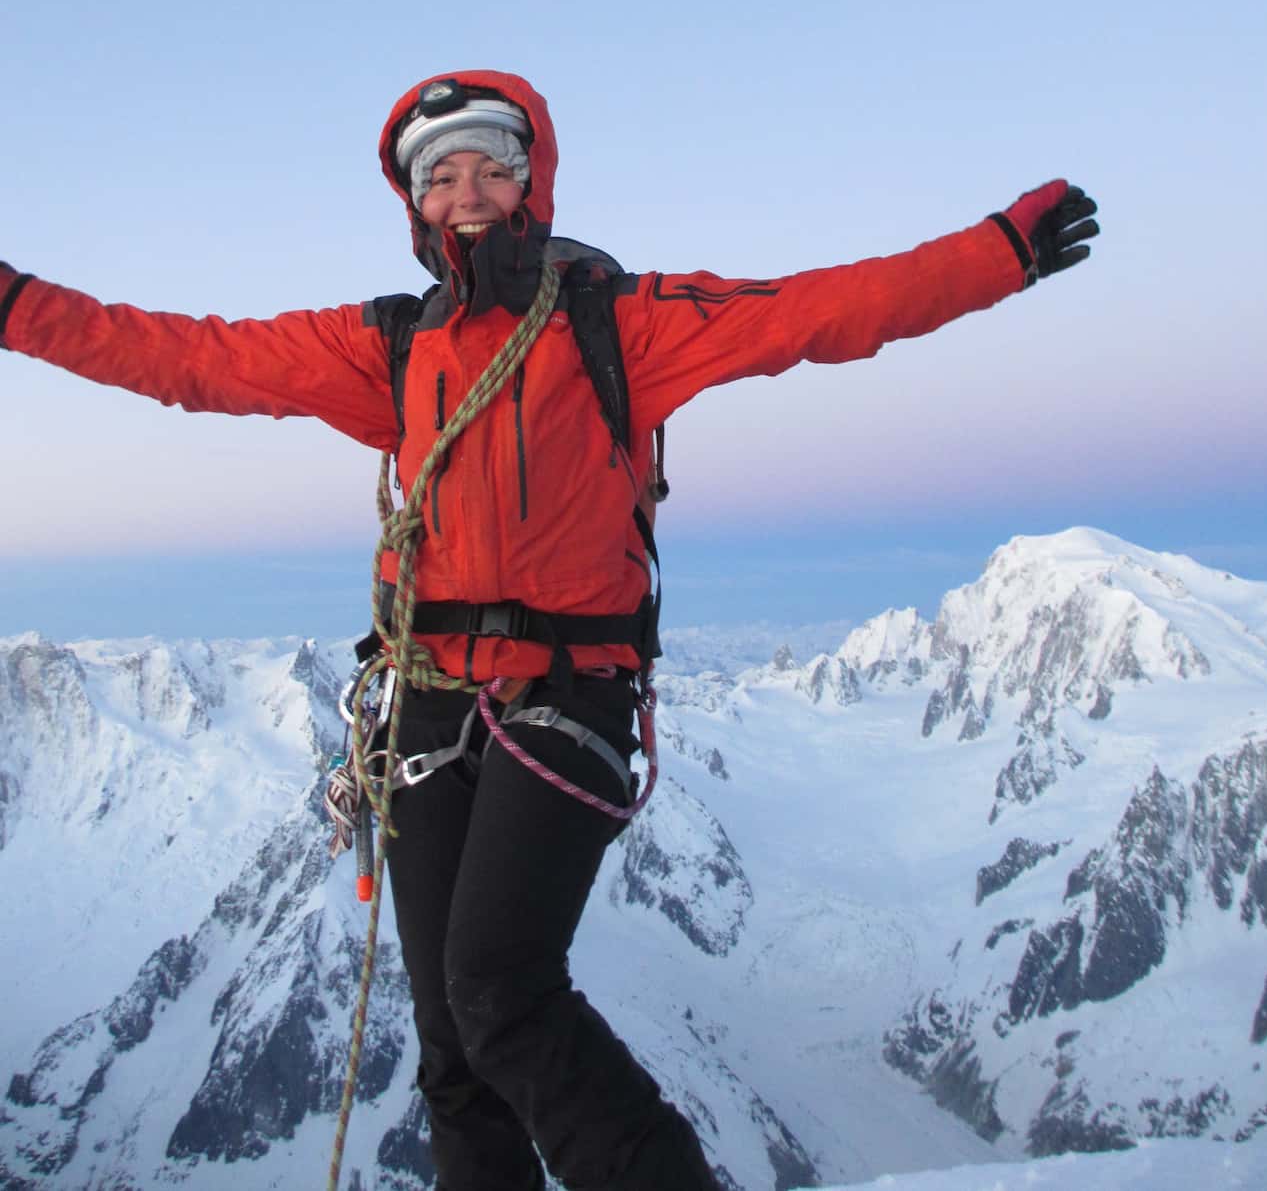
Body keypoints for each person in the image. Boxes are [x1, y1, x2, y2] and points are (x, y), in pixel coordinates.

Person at [0, 69, 1099, 1191]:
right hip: (425, 703)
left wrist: (996, 253)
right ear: (414, 206)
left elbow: (813, 311)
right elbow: (190, 358)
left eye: (492, 165)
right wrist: (14, 305)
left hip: (566, 697)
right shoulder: (387, 348)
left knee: (500, 995)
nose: (467, 190)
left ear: (534, 182)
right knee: (450, 1051)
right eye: (441, 175)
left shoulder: (617, 321)